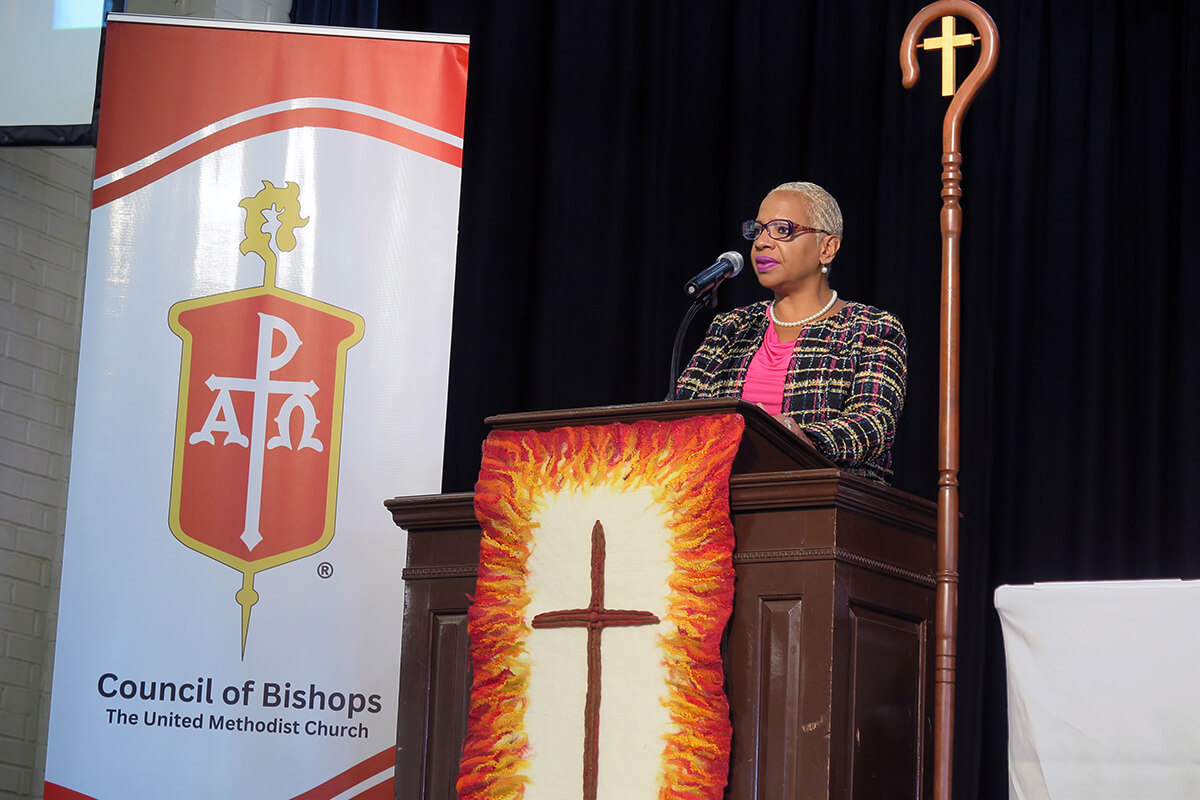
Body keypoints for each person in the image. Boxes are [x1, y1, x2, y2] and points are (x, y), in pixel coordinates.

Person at [674, 181, 906, 484]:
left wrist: (797, 439)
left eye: (782, 230)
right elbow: (683, 416)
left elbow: (873, 424)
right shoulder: (731, 327)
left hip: (825, 501)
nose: (761, 243)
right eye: (757, 230)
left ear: (827, 248)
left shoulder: (869, 328)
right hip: (719, 499)